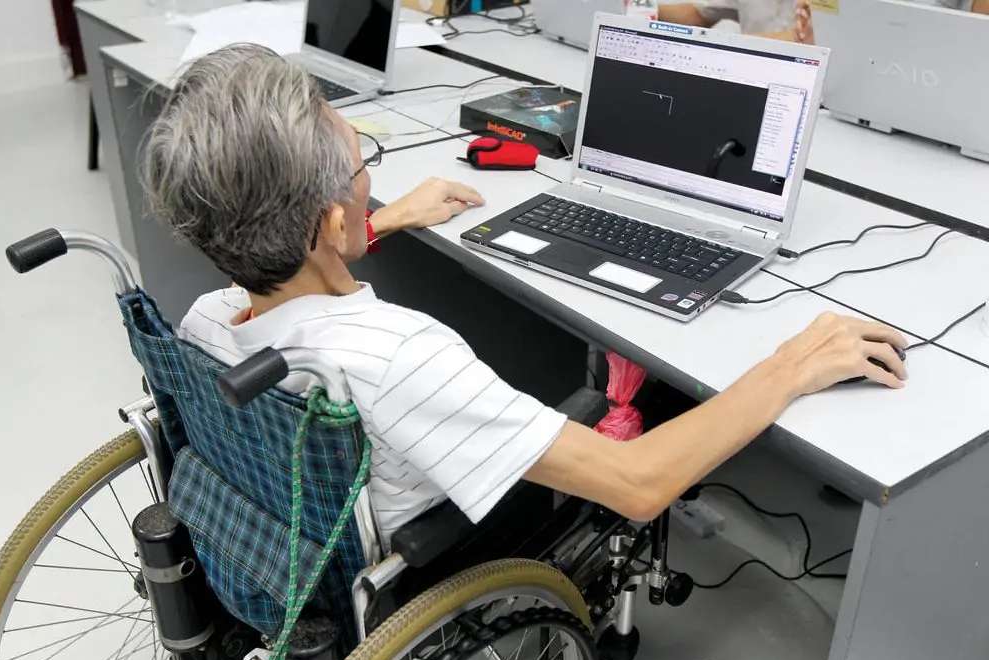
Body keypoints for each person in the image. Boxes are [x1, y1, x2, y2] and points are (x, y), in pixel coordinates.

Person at [143, 44, 908, 545]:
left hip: (302, 533)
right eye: (361, 164)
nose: (371, 178)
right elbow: (639, 483)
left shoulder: (207, 318)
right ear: (331, 218)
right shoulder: (400, 356)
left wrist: (384, 224)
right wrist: (792, 363)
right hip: (449, 547)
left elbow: (298, 283)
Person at [659, 0, 814, 42]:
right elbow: (697, 15)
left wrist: (727, 46)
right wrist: (641, 5)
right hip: (754, 78)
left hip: (820, 98)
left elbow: (804, 41)